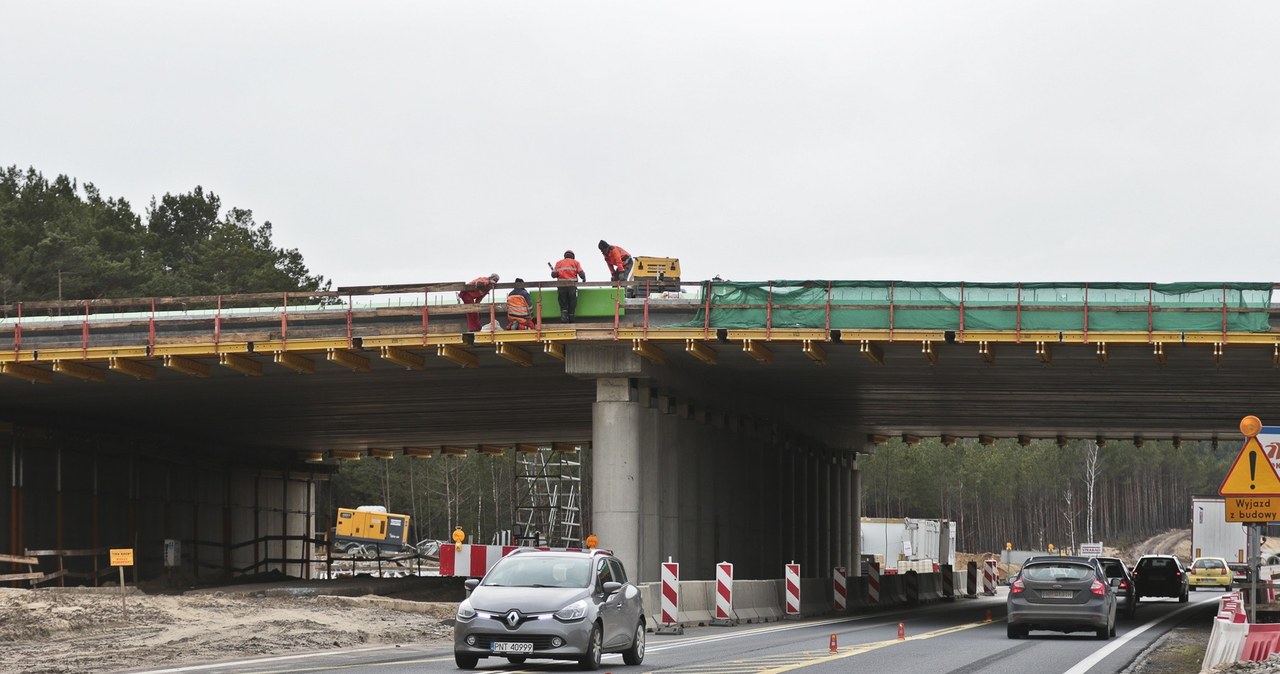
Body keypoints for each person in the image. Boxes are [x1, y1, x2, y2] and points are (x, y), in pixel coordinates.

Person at [551, 250, 586, 322]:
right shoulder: (576, 262)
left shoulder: (559, 263)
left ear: (565, 256)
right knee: (572, 301)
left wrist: (557, 274)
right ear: (573, 256)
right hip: (572, 286)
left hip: (561, 286)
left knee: (563, 301)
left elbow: (553, 275)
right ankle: (571, 317)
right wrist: (584, 278)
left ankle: (564, 318)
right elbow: (581, 274)